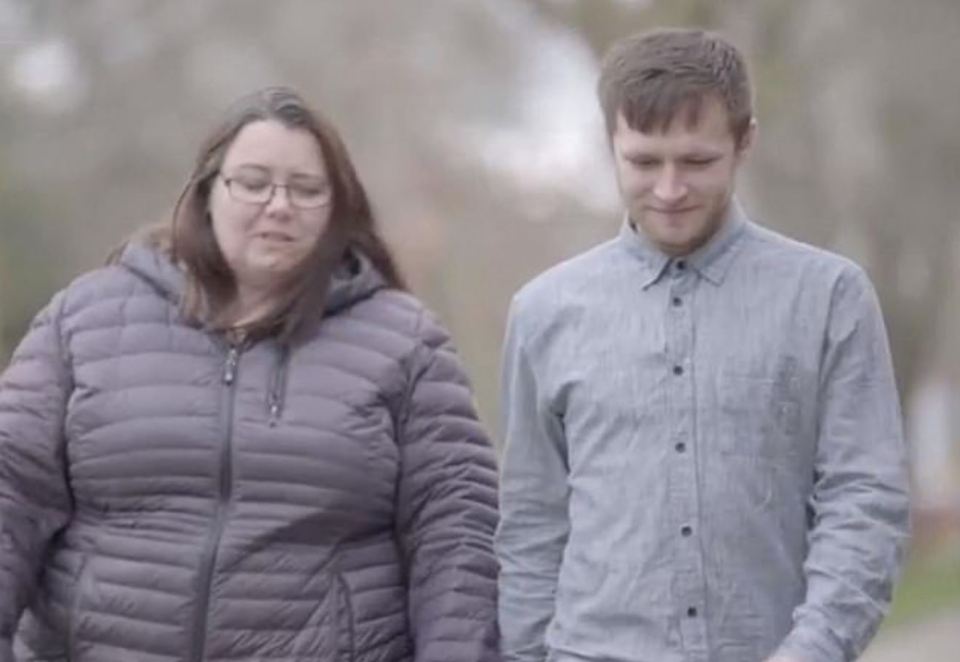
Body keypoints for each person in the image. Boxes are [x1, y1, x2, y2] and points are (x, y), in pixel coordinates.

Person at [0, 87, 499, 662]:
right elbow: (11, 491)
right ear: (208, 192)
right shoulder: (85, 319)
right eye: (254, 182)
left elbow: (457, 534)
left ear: (338, 206)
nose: (279, 205)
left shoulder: (405, 342)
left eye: (306, 189)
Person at [497, 28, 909, 662]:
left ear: (745, 142)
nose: (668, 189)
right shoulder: (543, 312)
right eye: (642, 162)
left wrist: (814, 648)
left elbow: (865, 499)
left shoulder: (830, 297)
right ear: (610, 144)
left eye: (696, 162)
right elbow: (531, 522)